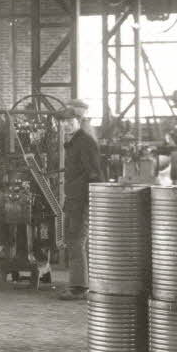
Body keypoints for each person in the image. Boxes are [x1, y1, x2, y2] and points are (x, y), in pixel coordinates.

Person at [57, 106, 103, 300]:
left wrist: (89, 201)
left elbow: (94, 174)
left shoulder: (84, 142)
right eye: (63, 122)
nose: (66, 125)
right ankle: (82, 284)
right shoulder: (74, 142)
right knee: (74, 241)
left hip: (81, 200)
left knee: (76, 241)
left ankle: (79, 288)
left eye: (70, 121)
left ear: (79, 120)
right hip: (74, 198)